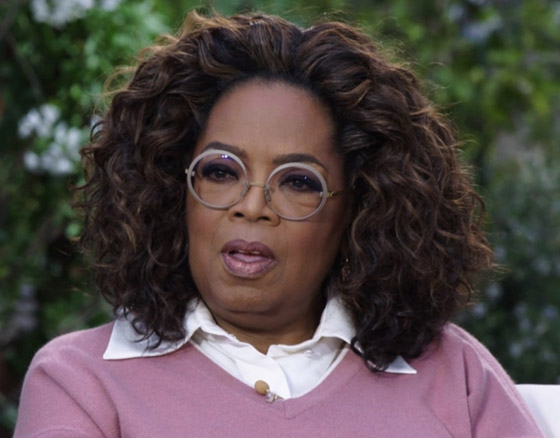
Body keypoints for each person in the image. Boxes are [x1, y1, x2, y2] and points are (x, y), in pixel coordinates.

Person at [14, 11, 543, 438]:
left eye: (298, 181)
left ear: (360, 210)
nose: (252, 206)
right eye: (221, 172)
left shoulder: (454, 372)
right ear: (173, 194)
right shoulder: (80, 382)